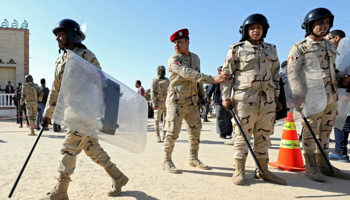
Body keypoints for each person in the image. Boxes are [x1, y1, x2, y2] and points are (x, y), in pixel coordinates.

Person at [40, 19, 128, 199]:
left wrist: (105, 113)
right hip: (72, 112)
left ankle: (61, 192)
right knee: (92, 148)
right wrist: (47, 114)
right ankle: (118, 177)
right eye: (56, 35)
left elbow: (102, 83)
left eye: (61, 34)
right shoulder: (60, 60)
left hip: (86, 112)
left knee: (68, 149)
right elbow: (55, 90)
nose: (57, 38)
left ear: (72, 34)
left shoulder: (87, 55)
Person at [221, 14, 286, 185]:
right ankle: (239, 170)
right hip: (244, 101)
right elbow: (226, 75)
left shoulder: (271, 49)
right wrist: (226, 97)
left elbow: (276, 75)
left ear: (264, 30)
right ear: (245, 30)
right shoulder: (237, 49)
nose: (256, 30)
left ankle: (263, 170)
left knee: (264, 137)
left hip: (267, 101)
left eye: (259, 27)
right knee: (242, 136)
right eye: (252, 27)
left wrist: (277, 98)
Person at [287, 8, 350, 182]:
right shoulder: (299, 48)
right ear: (309, 25)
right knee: (311, 132)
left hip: (331, 96)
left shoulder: (330, 45)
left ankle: (324, 165)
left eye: (327, 23)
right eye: (320, 23)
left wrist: (340, 78)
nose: (324, 26)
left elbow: (331, 69)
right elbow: (293, 74)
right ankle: (311, 166)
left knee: (325, 131)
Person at [162, 28, 228, 174]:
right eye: (174, 43)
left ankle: (193, 158)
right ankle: (166, 160)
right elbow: (187, 73)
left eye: (179, 42)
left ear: (187, 42)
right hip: (176, 101)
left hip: (191, 102)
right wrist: (212, 79)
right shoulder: (174, 59)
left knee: (195, 131)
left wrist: (202, 96)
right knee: (172, 132)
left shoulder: (196, 58)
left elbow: (197, 79)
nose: (176, 45)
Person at [325, 30, 349, 162]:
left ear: (337, 38)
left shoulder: (341, 52)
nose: (326, 40)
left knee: (340, 122)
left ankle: (340, 152)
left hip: (344, 92)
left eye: (328, 38)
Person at [207, 66, 233, 139]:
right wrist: (208, 97)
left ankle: (229, 131)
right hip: (218, 101)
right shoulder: (216, 80)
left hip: (228, 101)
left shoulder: (230, 80)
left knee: (229, 117)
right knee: (220, 117)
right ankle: (222, 133)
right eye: (219, 72)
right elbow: (210, 89)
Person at [151, 65, 169, 142]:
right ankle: (157, 135)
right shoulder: (155, 80)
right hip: (158, 102)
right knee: (157, 120)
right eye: (161, 70)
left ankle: (164, 134)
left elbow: (170, 90)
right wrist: (154, 103)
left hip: (166, 102)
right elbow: (152, 92)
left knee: (166, 119)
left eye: (163, 70)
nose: (162, 72)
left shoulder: (167, 80)